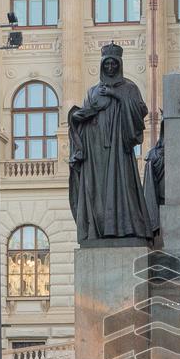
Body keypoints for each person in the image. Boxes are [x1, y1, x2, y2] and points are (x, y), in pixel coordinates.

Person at [67, 43, 153, 243]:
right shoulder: (92, 91)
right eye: (107, 64)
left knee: (123, 186)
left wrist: (117, 96)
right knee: (97, 190)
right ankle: (100, 229)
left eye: (114, 64)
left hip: (118, 146)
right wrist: (79, 116)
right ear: (102, 65)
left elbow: (141, 111)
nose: (111, 68)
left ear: (119, 65)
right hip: (95, 149)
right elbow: (85, 114)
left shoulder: (130, 88)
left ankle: (126, 228)